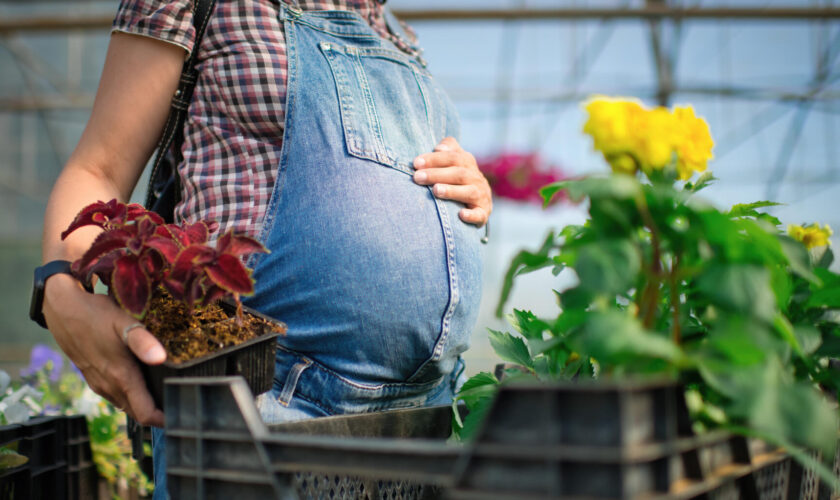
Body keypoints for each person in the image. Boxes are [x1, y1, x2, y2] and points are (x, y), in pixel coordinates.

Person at [38, 0, 490, 496]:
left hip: (424, 416)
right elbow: (97, 170)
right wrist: (59, 289)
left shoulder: (395, 31)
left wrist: (470, 187)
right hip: (264, 401)